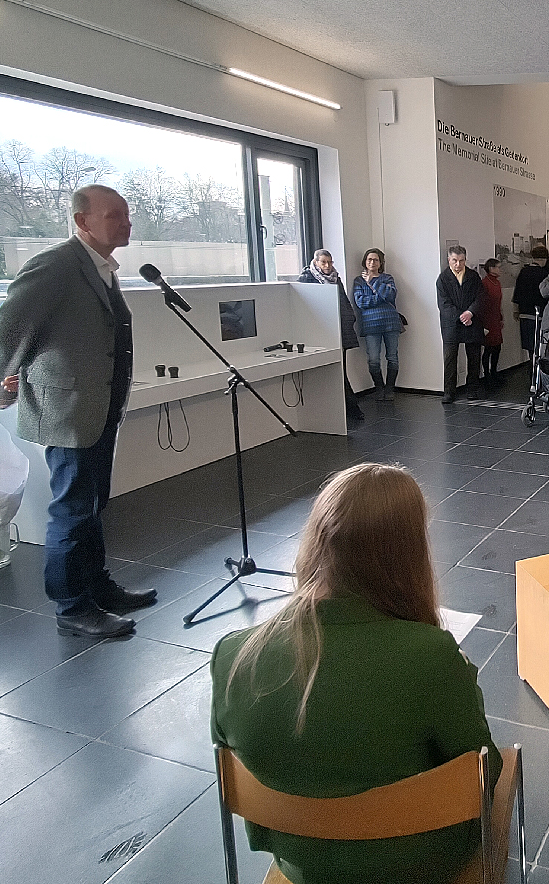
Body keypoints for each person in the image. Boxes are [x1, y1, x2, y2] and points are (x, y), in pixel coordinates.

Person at [211, 463, 498, 884]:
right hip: (421, 865)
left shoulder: (232, 657)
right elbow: (483, 774)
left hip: (301, 864)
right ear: (407, 555)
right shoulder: (431, 656)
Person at [0, 184, 156, 638]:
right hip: (68, 409)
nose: (126, 223)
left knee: (93, 504)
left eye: (127, 215)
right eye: (113, 216)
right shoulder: (56, 265)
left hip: (99, 405)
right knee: (73, 509)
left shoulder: (102, 267)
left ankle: (97, 586)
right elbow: (5, 326)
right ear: (82, 222)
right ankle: (72, 607)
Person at [298, 248, 363, 422]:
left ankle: (349, 410)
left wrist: (350, 320)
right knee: (334, 373)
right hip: (320, 332)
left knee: (340, 371)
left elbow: (343, 303)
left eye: (330, 262)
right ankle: (350, 410)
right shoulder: (306, 279)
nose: (327, 266)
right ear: (316, 262)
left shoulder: (336, 278)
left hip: (339, 330)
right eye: (323, 262)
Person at [435, 245, 484, 404]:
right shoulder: (442, 279)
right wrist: (460, 316)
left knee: (474, 357)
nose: (458, 264)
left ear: (465, 260)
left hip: (472, 321)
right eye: (454, 260)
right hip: (451, 324)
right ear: (449, 260)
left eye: (461, 261)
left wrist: (470, 312)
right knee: (450, 359)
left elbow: (480, 297)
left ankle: (473, 390)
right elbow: (444, 304)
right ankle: (449, 392)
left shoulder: (474, 276)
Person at [353, 248, 402, 402]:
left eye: (375, 260)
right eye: (369, 259)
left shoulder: (387, 278)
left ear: (380, 263)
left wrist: (373, 281)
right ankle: (379, 388)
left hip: (390, 323)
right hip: (370, 325)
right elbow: (361, 302)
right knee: (373, 359)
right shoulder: (358, 281)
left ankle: (390, 389)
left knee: (392, 357)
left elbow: (391, 295)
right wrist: (380, 298)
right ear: (365, 262)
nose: (372, 262)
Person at [512, 245, 549, 357]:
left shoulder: (523, 272)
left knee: (530, 349)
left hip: (524, 314)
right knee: (540, 347)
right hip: (539, 315)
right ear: (544, 259)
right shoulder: (545, 274)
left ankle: (531, 371)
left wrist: (516, 311)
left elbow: (517, 293)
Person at [479, 258, 505, 385]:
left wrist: (500, 316)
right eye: (498, 267)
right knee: (488, 347)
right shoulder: (485, 283)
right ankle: (486, 374)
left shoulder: (497, 283)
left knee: (497, 347)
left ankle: (494, 372)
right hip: (487, 319)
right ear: (491, 268)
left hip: (495, 317)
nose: (500, 270)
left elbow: (498, 302)